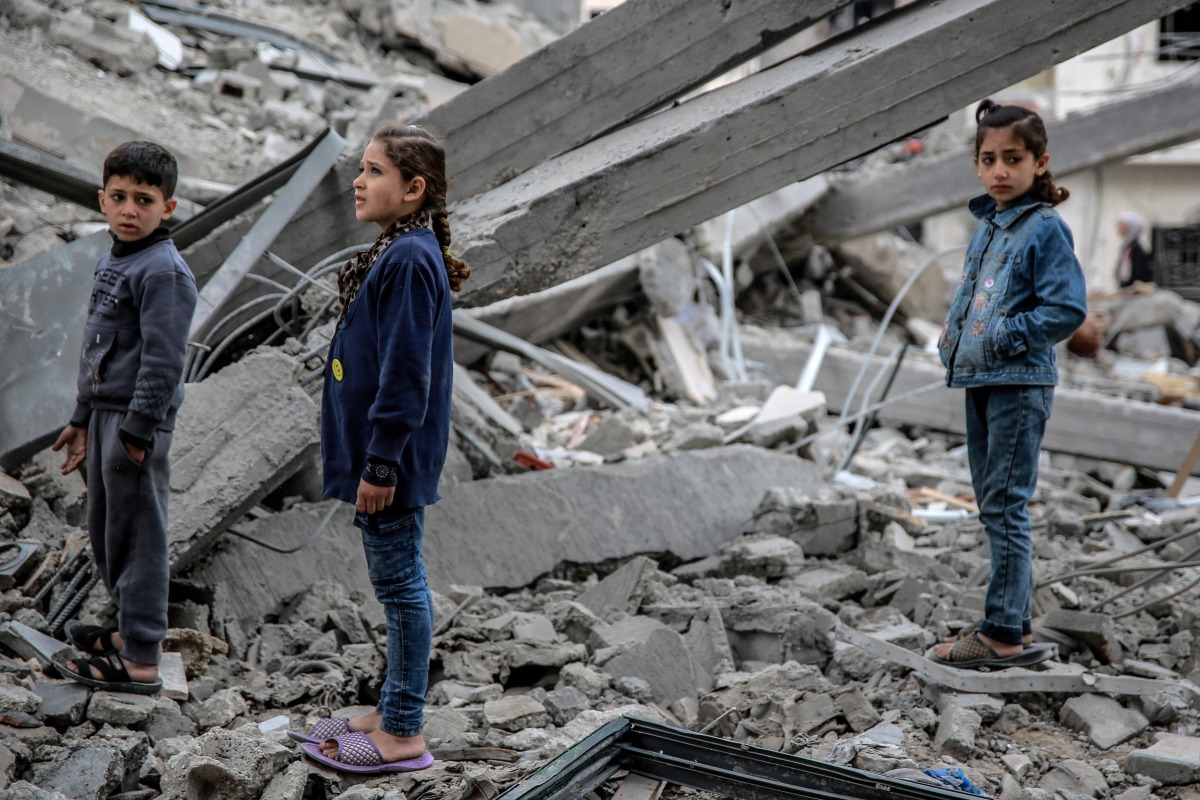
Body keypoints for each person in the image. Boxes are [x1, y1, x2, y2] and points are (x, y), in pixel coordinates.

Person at [290, 122, 469, 775]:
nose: (358, 183)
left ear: (414, 188)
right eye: (360, 169)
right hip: (384, 453)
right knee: (397, 583)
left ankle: (402, 732)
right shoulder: (401, 250)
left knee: (401, 586)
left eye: (373, 171)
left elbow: (405, 373)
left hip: (391, 459)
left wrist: (381, 461)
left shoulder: (411, 257)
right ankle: (392, 705)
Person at [932, 100, 1087, 670]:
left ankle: (1000, 637)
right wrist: (951, 338)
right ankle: (1012, 621)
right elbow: (972, 296)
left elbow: (1067, 309)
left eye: (1013, 159)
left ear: (1040, 163)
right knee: (992, 503)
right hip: (981, 378)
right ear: (976, 165)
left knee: (1005, 505)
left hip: (1018, 383)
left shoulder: (1045, 227)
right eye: (989, 159)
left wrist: (1000, 337)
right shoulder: (990, 224)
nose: (1000, 170)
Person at [51, 141, 197, 695]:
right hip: (107, 417)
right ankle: (129, 633)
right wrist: (83, 416)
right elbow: (99, 345)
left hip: (137, 425)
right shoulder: (115, 257)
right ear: (102, 200)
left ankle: (139, 660)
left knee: (139, 538)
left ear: (170, 207)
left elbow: (164, 361)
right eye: (119, 197)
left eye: (144, 199)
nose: (130, 209)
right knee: (107, 533)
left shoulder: (164, 272)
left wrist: (136, 435)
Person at [1115, 211, 1155, 288]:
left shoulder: (1136, 248)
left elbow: (1138, 274)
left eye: (1121, 225)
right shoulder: (1128, 246)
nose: (1118, 228)